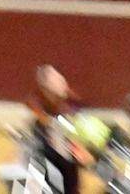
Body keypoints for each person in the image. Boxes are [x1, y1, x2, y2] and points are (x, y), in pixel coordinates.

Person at [28, 65, 87, 194]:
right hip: (48, 162)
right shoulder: (38, 108)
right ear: (45, 89)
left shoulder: (71, 105)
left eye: (61, 81)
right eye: (56, 82)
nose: (62, 85)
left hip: (67, 172)